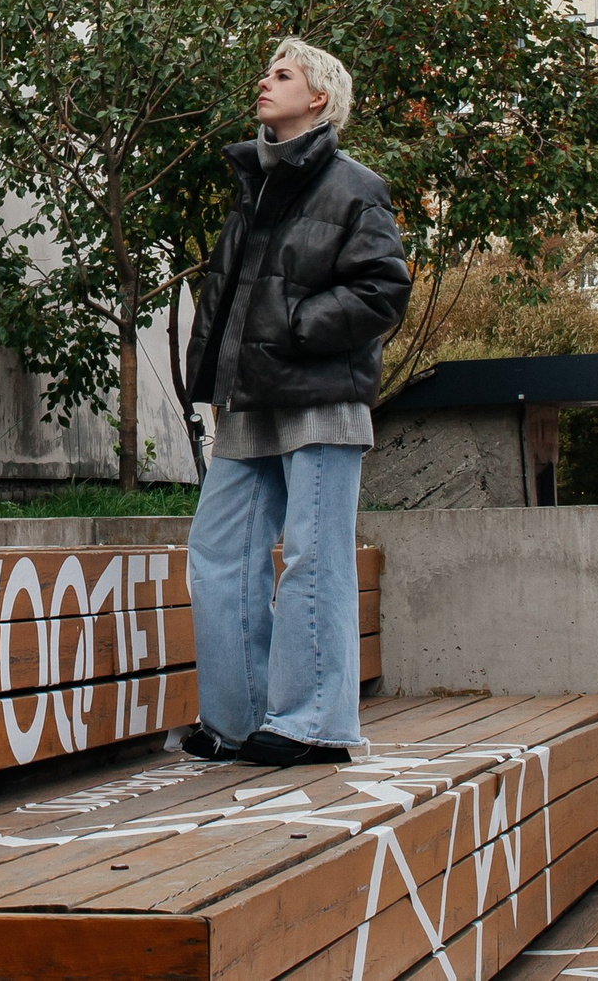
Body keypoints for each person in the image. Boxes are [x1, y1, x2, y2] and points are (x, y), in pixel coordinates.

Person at [182, 39, 411, 766]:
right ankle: (237, 719)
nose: (263, 81)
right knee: (218, 551)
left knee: (314, 556)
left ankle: (313, 721)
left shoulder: (354, 185)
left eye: (282, 74)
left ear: (318, 97)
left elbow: (383, 290)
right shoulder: (256, 184)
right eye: (265, 70)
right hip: (250, 400)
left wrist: (295, 329)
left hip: (318, 394)